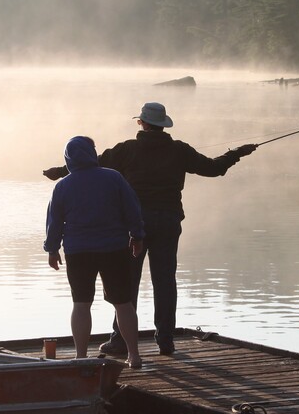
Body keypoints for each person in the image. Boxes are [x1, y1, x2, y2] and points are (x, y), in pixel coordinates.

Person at [44, 102, 257, 357]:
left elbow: (90, 164)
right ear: (163, 125)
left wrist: (58, 172)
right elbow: (214, 168)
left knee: (127, 284)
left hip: (135, 225)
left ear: (141, 123)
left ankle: (120, 342)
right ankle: (166, 341)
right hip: (168, 222)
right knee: (165, 281)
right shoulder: (179, 150)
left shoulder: (127, 150)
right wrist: (236, 153)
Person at [44, 135, 146, 369]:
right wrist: (137, 236)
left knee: (81, 303)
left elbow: (54, 221)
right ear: (92, 153)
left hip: (78, 252)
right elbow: (132, 208)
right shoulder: (113, 178)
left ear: (68, 158)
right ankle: (134, 356)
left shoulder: (63, 185)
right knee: (123, 303)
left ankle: (81, 357)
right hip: (114, 248)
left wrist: (52, 249)